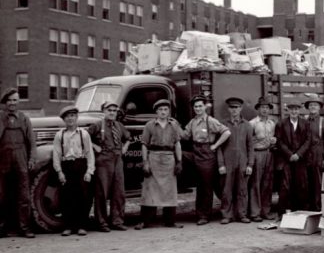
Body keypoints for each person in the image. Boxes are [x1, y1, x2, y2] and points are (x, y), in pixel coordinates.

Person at [182, 95, 230, 225]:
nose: (197, 108)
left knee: (206, 185)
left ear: (205, 107)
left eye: (200, 106)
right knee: (200, 184)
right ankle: (199, 213)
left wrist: (215, 145)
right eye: (195, 106)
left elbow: (226, 132)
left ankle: (205, 215)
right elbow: (184, 136)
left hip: (207, 154)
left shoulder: (210, 121)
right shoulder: (192, 122)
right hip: (196, 152)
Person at [136, 99, 183, 229]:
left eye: (165, 110)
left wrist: (179, 162)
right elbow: (144, 145)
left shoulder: (174, 125)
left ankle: (170, 221)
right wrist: (145, 162)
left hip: (169, 159)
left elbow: (177, 144)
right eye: (160, 110)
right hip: (154, 158)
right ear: (156, 111)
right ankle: (145, 221)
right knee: (149, 190)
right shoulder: (149, 125)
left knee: (170, 191)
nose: (163, 112)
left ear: (169, 112)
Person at [52, 106, 95, 236]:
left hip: (80, 165)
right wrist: (59, 172)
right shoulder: (60, 135)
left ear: (76, 118)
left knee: (83, 196)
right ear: (64, 120)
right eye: (67, 117)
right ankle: (68, 226)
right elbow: (56, 154)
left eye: (72, 116)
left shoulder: (84, 134)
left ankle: (82, 225)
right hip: (67, 166)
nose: (70, 119)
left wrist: (89, 171)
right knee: (66, 196)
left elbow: (89, 153)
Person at [88, 101, 130, 232]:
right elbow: (85, 138)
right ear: (104, 111)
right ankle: (101, 223)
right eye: (109, 110)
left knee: (119, 191)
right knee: (102, 192)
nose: (112, 112)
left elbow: (128, 138)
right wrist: (95, 147)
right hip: (103, 160)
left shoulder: (119, 125)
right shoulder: (97, 125)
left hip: (117, 158)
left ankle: (117, 221)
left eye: (114, 110)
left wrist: (125, 147)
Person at [0, 89, 36, 238]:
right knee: (2, 194)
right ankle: (3, 227)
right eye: (9, 100)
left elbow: (32, 142)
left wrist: (32, 159)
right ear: (5, 102)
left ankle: (24, 227)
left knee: (23, 195)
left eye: (15, 100)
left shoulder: (24, 118)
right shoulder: (0, 118)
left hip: (21, 158)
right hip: (3, 160)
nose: (12, 103)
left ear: (18, 102)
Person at [218, 97, 254, 224]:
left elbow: (250, 146)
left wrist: (250, 164)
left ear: (241, 108)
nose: (234, 110)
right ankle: (227, 215)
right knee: (226, 189)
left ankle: (242, 214)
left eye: (237, 107)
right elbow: (219, 146)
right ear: (228, 109)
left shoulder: (247, 125)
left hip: (243, 161)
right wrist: (221, 164)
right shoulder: (222, 124)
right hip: (228, 162)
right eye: (232, 107)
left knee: (242, 189)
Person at [276, 99, 310, 216]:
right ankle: (283, 212)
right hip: (286, 159)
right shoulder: (281, 123)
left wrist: (298, 154)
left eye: (296, 109)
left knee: (301, 184)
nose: (294, 111)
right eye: (291, 109)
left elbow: (308, 141)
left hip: (301, 159)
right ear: (288, 110)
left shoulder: (305, 123)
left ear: (299, 110)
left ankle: (300, 211)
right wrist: (290, 154)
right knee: (285, 186)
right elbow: (279, 141)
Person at [249, 96, 277, 222]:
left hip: (269, 153)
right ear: (258, 109)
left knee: (268, 183)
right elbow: (248, 142)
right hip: (257, 154)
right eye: (262, 107)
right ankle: (255, 213)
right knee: (256, 183)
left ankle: (266, 211)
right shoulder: (253, 123)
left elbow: (275, 139)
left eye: (267, 108)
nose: (265, 110)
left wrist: (274, 141)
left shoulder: (272, 123)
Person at [305, 95, 324, 211]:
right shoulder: (304, 121)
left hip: (318, 156)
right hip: (306, 156)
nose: (313, 107)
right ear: (308, 107)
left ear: (319, 108)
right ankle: (308, 208)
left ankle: (318, 208)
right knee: (306, 183)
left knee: (318, 184)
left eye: (315, 105)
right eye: (311, 105)